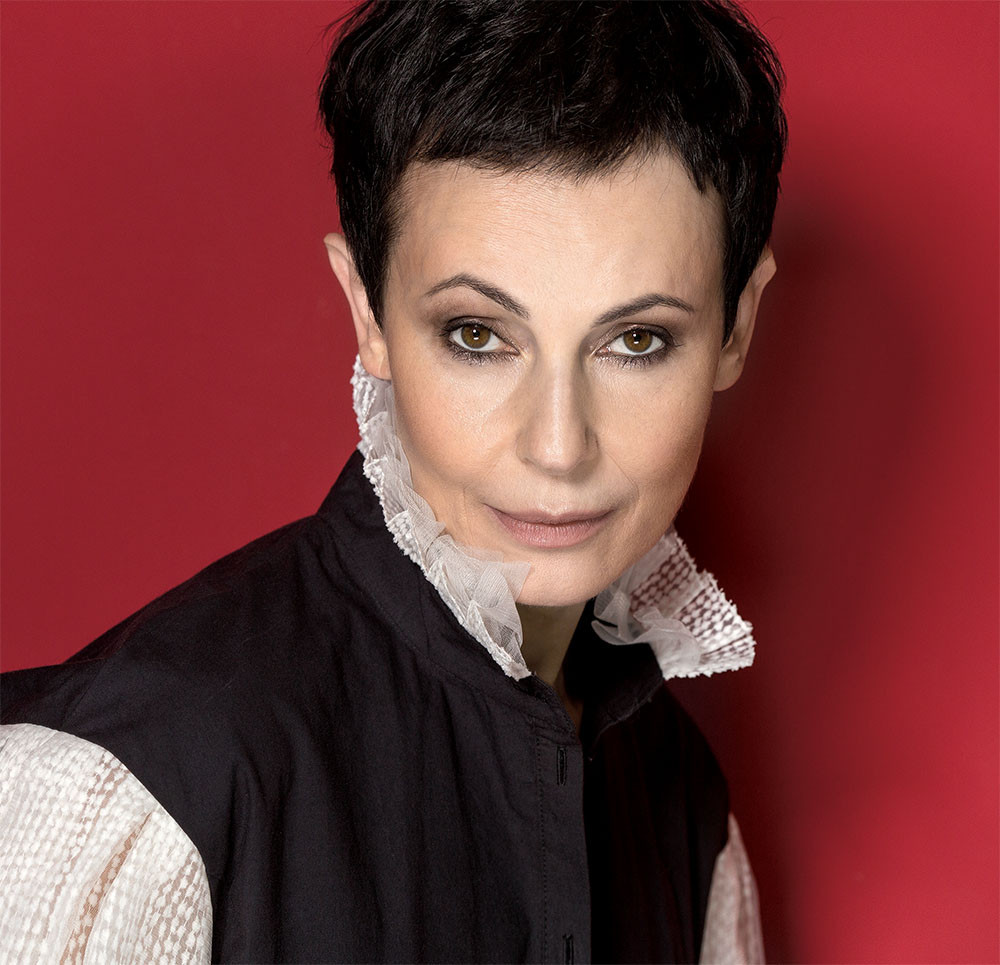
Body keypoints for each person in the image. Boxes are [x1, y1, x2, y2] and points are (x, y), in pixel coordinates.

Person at [0, 1, 786, 961]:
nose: (558, 446)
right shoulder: (135, 791)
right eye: (477, 334)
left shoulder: (685, 808)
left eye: (637, 340)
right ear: (366, 312)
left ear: (736, 328)